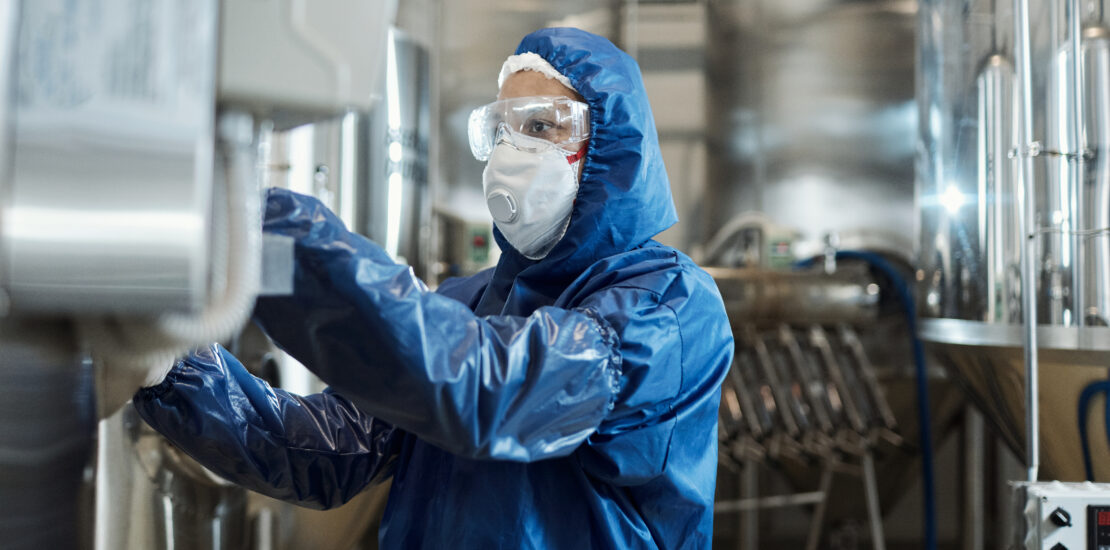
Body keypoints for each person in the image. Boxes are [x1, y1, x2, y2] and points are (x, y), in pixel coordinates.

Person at [134, 27, 734, 548]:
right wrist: (176, 373)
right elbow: (327, 452)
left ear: (612, 148)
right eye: (500, 129)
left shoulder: (671, 307)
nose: (511, 150)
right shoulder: (468, 303)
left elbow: (493, 391)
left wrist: (268, 232)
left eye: (543, 126)